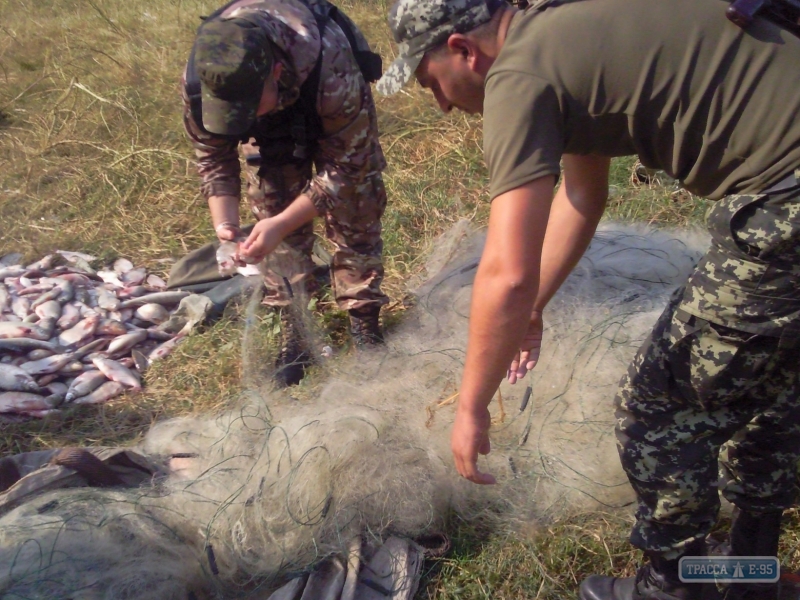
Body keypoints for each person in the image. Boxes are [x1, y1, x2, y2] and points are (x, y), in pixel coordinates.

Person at [376, 0, 800, 598]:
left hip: (788, 200)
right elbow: (581, 195)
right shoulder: (561, 36)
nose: (440, 103)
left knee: (659, 405)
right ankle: (751, 572)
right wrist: (532, 313)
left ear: (462, 49)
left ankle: (671, 588)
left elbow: (504, 272)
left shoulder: (517, 77)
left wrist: (472, 405)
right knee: (769, 377)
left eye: (430, 82)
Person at [182, 0, 390, 386]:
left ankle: (364, 322)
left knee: (356, 207)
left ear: (276, 73)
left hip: (325, 108)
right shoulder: (205, 77)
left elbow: (348, 167)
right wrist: (225, 223)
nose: (240, 120)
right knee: (271, 203)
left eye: (246, 108)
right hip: (275, 127)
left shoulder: (333, 69)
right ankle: (298, 331)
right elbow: (213, 155)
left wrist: (281, 224)